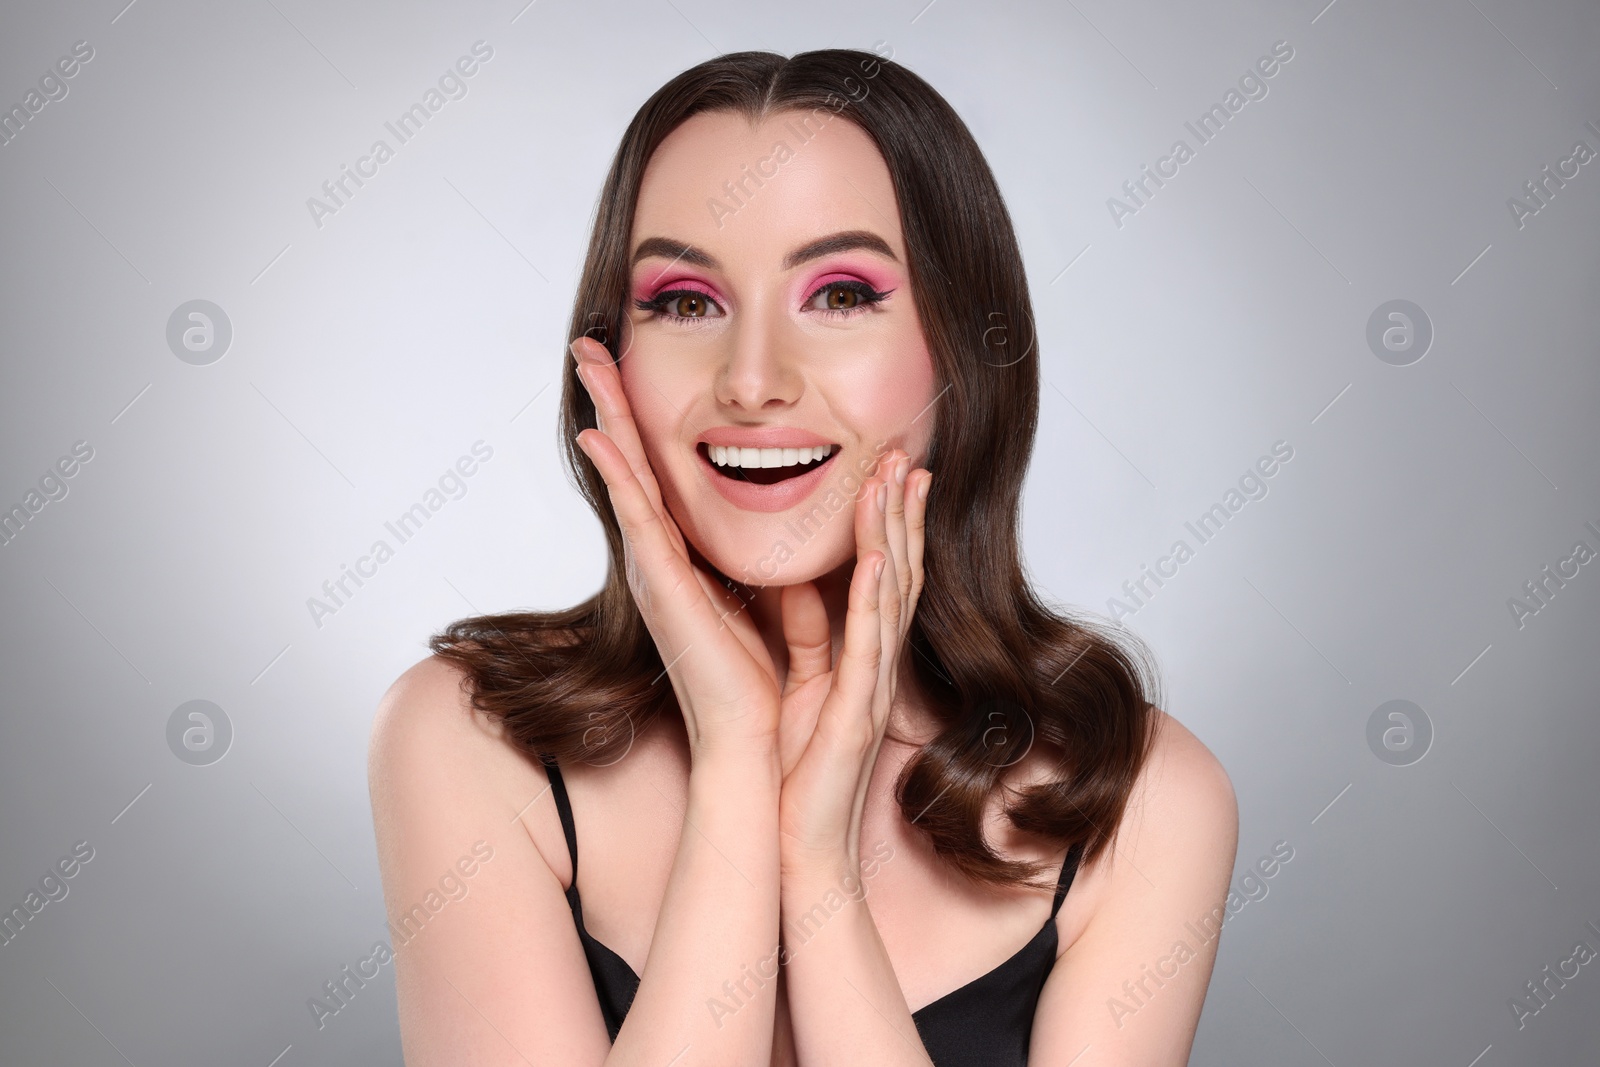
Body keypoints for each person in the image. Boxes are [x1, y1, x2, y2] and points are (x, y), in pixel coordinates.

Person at [368, 47, 1238, 1066]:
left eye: (838, 293)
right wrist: (735, 760)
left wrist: (817, 866)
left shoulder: (1141, 799)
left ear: (961, 352)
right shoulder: (468, 737)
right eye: (686, 301)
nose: (751, 380)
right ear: (611, 360)